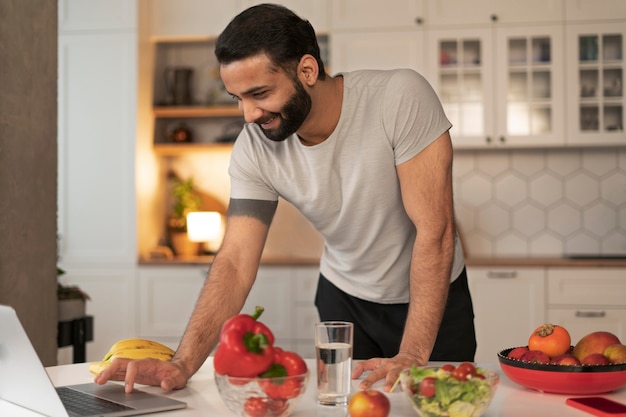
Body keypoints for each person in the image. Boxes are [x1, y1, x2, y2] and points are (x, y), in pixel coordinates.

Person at [96, 3, 476, 394]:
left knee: (445, 403)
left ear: (307, 71)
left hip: (433, 299)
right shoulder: (254, 147)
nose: (247, 114)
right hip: (343, 301)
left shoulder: (399, 98)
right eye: (237, 98)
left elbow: (436, 230)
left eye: (259, 93)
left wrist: (412, 353)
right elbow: (235, 259)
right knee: (350, 405)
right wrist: (180, 365)